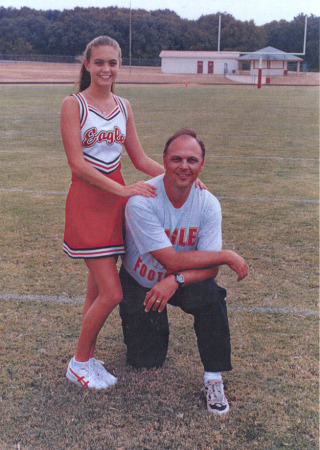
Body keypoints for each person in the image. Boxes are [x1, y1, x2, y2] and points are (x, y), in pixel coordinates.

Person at [119, 128, 248, 414]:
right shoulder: (142, 200)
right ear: (163, 160)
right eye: (176, 159)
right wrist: (226, 255)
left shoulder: (208, 204)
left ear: (202, 165)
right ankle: (151, 324)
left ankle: (213, 378)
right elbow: (173, 261)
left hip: (178, 282)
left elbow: (210, 268)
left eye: (192, 160)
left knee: (212, 296)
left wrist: (176, 281)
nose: (184, 166)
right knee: (146, 361)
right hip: (141, 282)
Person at [61, 35, 164, 390]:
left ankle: (88, 357)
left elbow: (139, 159)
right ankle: (78, 364)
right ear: (87, 64)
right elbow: (76, 165)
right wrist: (122, 189)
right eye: (100, 62)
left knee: (95, 292)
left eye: (113, 63)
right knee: (113, 292)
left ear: (120, 66)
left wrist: (181, 177)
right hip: (89, 205)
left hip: (115, 207)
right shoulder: (73, 104)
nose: (107, 69)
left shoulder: (123, 105)